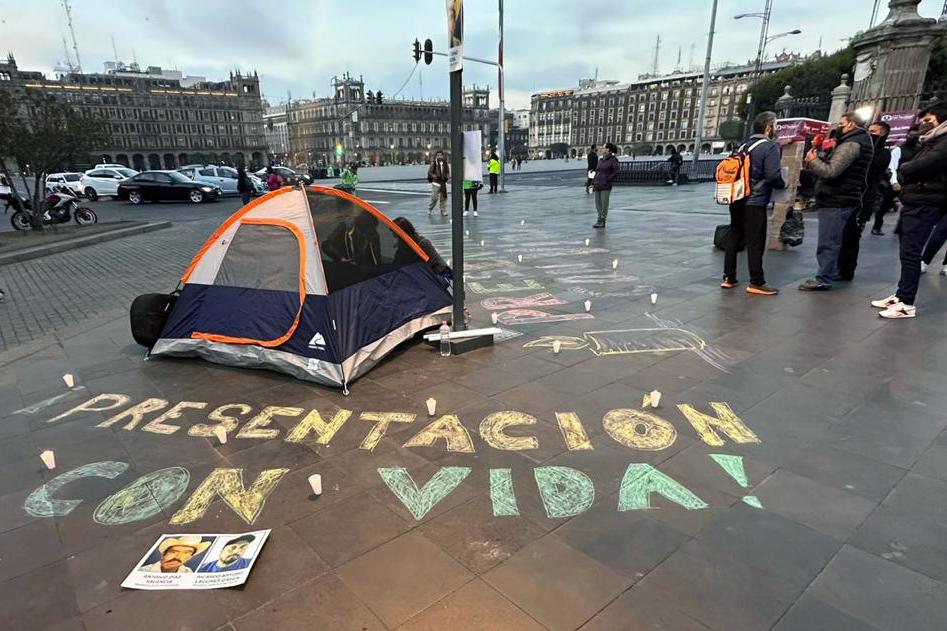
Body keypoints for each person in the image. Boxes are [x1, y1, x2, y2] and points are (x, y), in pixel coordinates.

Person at [872, 102, 947, 318]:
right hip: (917, 198)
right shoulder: (931, 140)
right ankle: (901, 294)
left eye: (928, 120)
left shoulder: (942, 143)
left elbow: (917, 165)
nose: (923, 124)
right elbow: (911, 163)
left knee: (911, 251)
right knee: (907, 251)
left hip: (926, 201)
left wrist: (906, 170)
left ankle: (906, 302)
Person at [798, 113, 873, 291]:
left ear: (851, 125)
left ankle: (823, 277)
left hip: (837, 198)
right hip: (845, 196)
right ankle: (837, 271)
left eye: (841, 124)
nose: (837, 127)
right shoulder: (856, 142)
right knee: (840, 239)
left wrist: (813, 161)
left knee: (828, 241)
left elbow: (831, 171)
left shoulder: (851, 144)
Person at [721, 111, 785, 296]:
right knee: (755, 241)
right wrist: (783, 184)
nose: (776, 129)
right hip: (755, 200)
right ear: (768, 127)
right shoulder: (769, 146)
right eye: (775, 125)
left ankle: (729, 277)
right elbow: (773, 175)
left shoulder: (742, 147)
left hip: (736, 198)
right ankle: (756, 282)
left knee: (734, 235)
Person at [836, 121, 889, 280]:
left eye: (873, 131)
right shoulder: (862, 147)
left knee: (852, 236)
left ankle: (847, 270)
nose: (869, 134)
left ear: (883, 134)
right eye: (868, 130)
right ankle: (838, 266)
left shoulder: (883, 153)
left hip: (864, 199)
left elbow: (872, 169)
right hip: (850, 195)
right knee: (841, 234)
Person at [140, 536, 210, 573]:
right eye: (174, 552)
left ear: (190, 557)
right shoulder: (143, 571)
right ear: (164, 554)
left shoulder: (188, 572)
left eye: (186, 553)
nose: (178, 557)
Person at [591, 143, 619, 229]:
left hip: (606, 185)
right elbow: (597, 171)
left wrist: (608, 179)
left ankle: (602, 221)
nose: (602, 149)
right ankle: (599, 219)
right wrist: (593, 181)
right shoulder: (601, 159)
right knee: (598, 204)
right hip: (598, 184)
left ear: (608, 150)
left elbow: (616, 172)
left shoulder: (613, 160)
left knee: (604, 204)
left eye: (604, 148)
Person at [427, 151, 449, 215]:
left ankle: (443, 211)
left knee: (443, 198)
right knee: (434, 198)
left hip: (443, 182)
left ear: (442, 156)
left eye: (440, 155)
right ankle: (430, 208)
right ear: (436, 156)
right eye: (438, 155)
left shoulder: (445, 163)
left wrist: (447, 176)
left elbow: (447, 171)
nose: (439, 157)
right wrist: (434, 176)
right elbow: (430, 172)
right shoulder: (434, 163)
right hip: (436, 183)